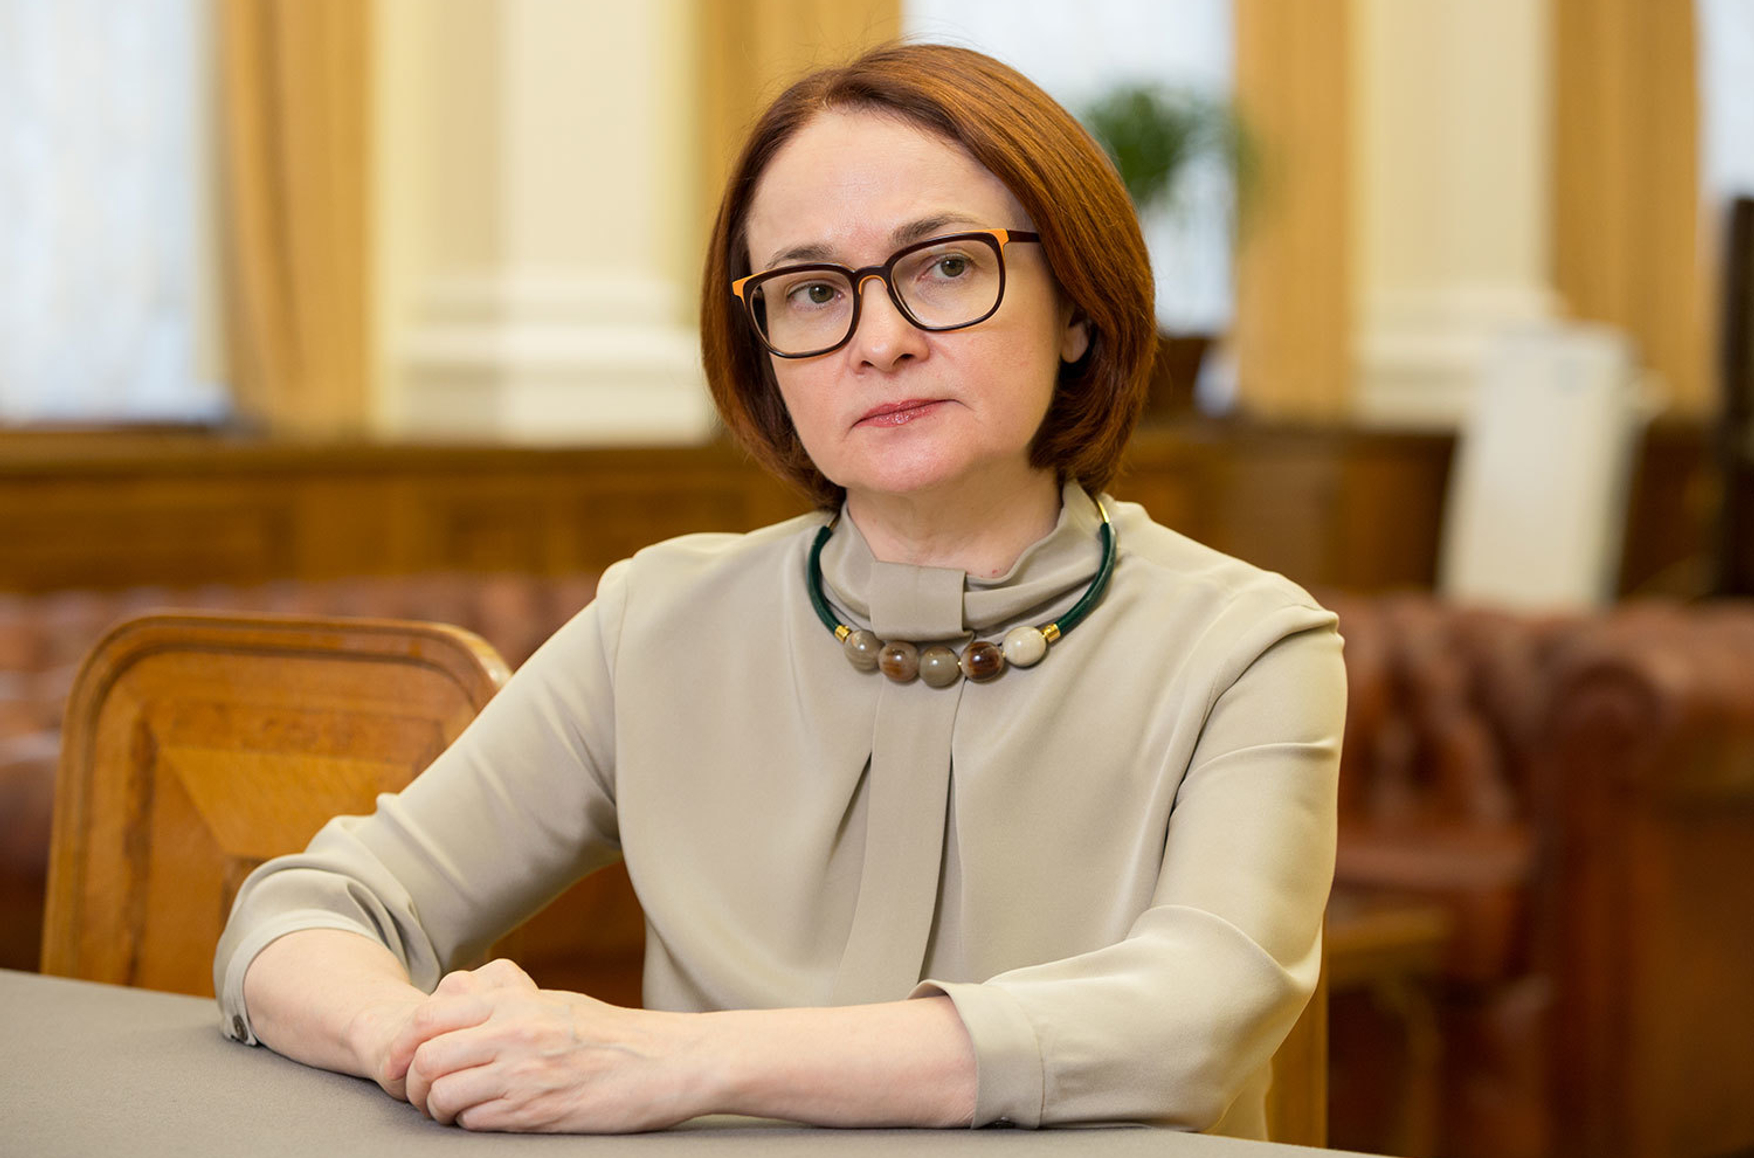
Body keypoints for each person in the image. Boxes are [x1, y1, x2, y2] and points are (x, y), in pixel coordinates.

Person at [214, 42, 1345, 1138]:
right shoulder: (657, 622)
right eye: (810, 292)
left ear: (1078, 307)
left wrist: (677, 1061)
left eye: (946, 266)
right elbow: (307, 909)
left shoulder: (1246, 646)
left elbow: (1190, 1018)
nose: (880, 341)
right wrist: (423, 1044)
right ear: (765, 353)